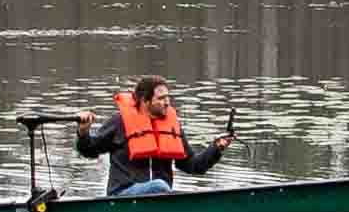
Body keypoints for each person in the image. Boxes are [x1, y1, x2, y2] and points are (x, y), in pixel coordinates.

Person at [72, 75, 233, 195]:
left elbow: (192, 165)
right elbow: (88, 150)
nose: (167, 102)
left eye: (168, 97)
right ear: (145, 100)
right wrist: (83, 132)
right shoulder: (120, 122)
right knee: (160, 186)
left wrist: (216, 148)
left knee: (171, 191)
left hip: (159, 197)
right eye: (161, 98)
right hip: (123, 195)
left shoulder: (171, 126)